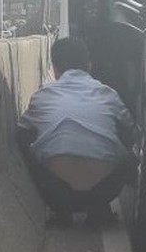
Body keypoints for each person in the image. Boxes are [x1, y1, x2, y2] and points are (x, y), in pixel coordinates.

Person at [18, 37, 136, 227]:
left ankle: (61, 214)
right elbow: (130, 130)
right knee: (131, 144)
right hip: (104, 190)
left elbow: (22, 134)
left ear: (54, 68)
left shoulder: (42, 96)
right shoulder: (108, 94)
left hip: (57, 192)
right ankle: (99, 210)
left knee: (26, 139)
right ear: (89, 66)